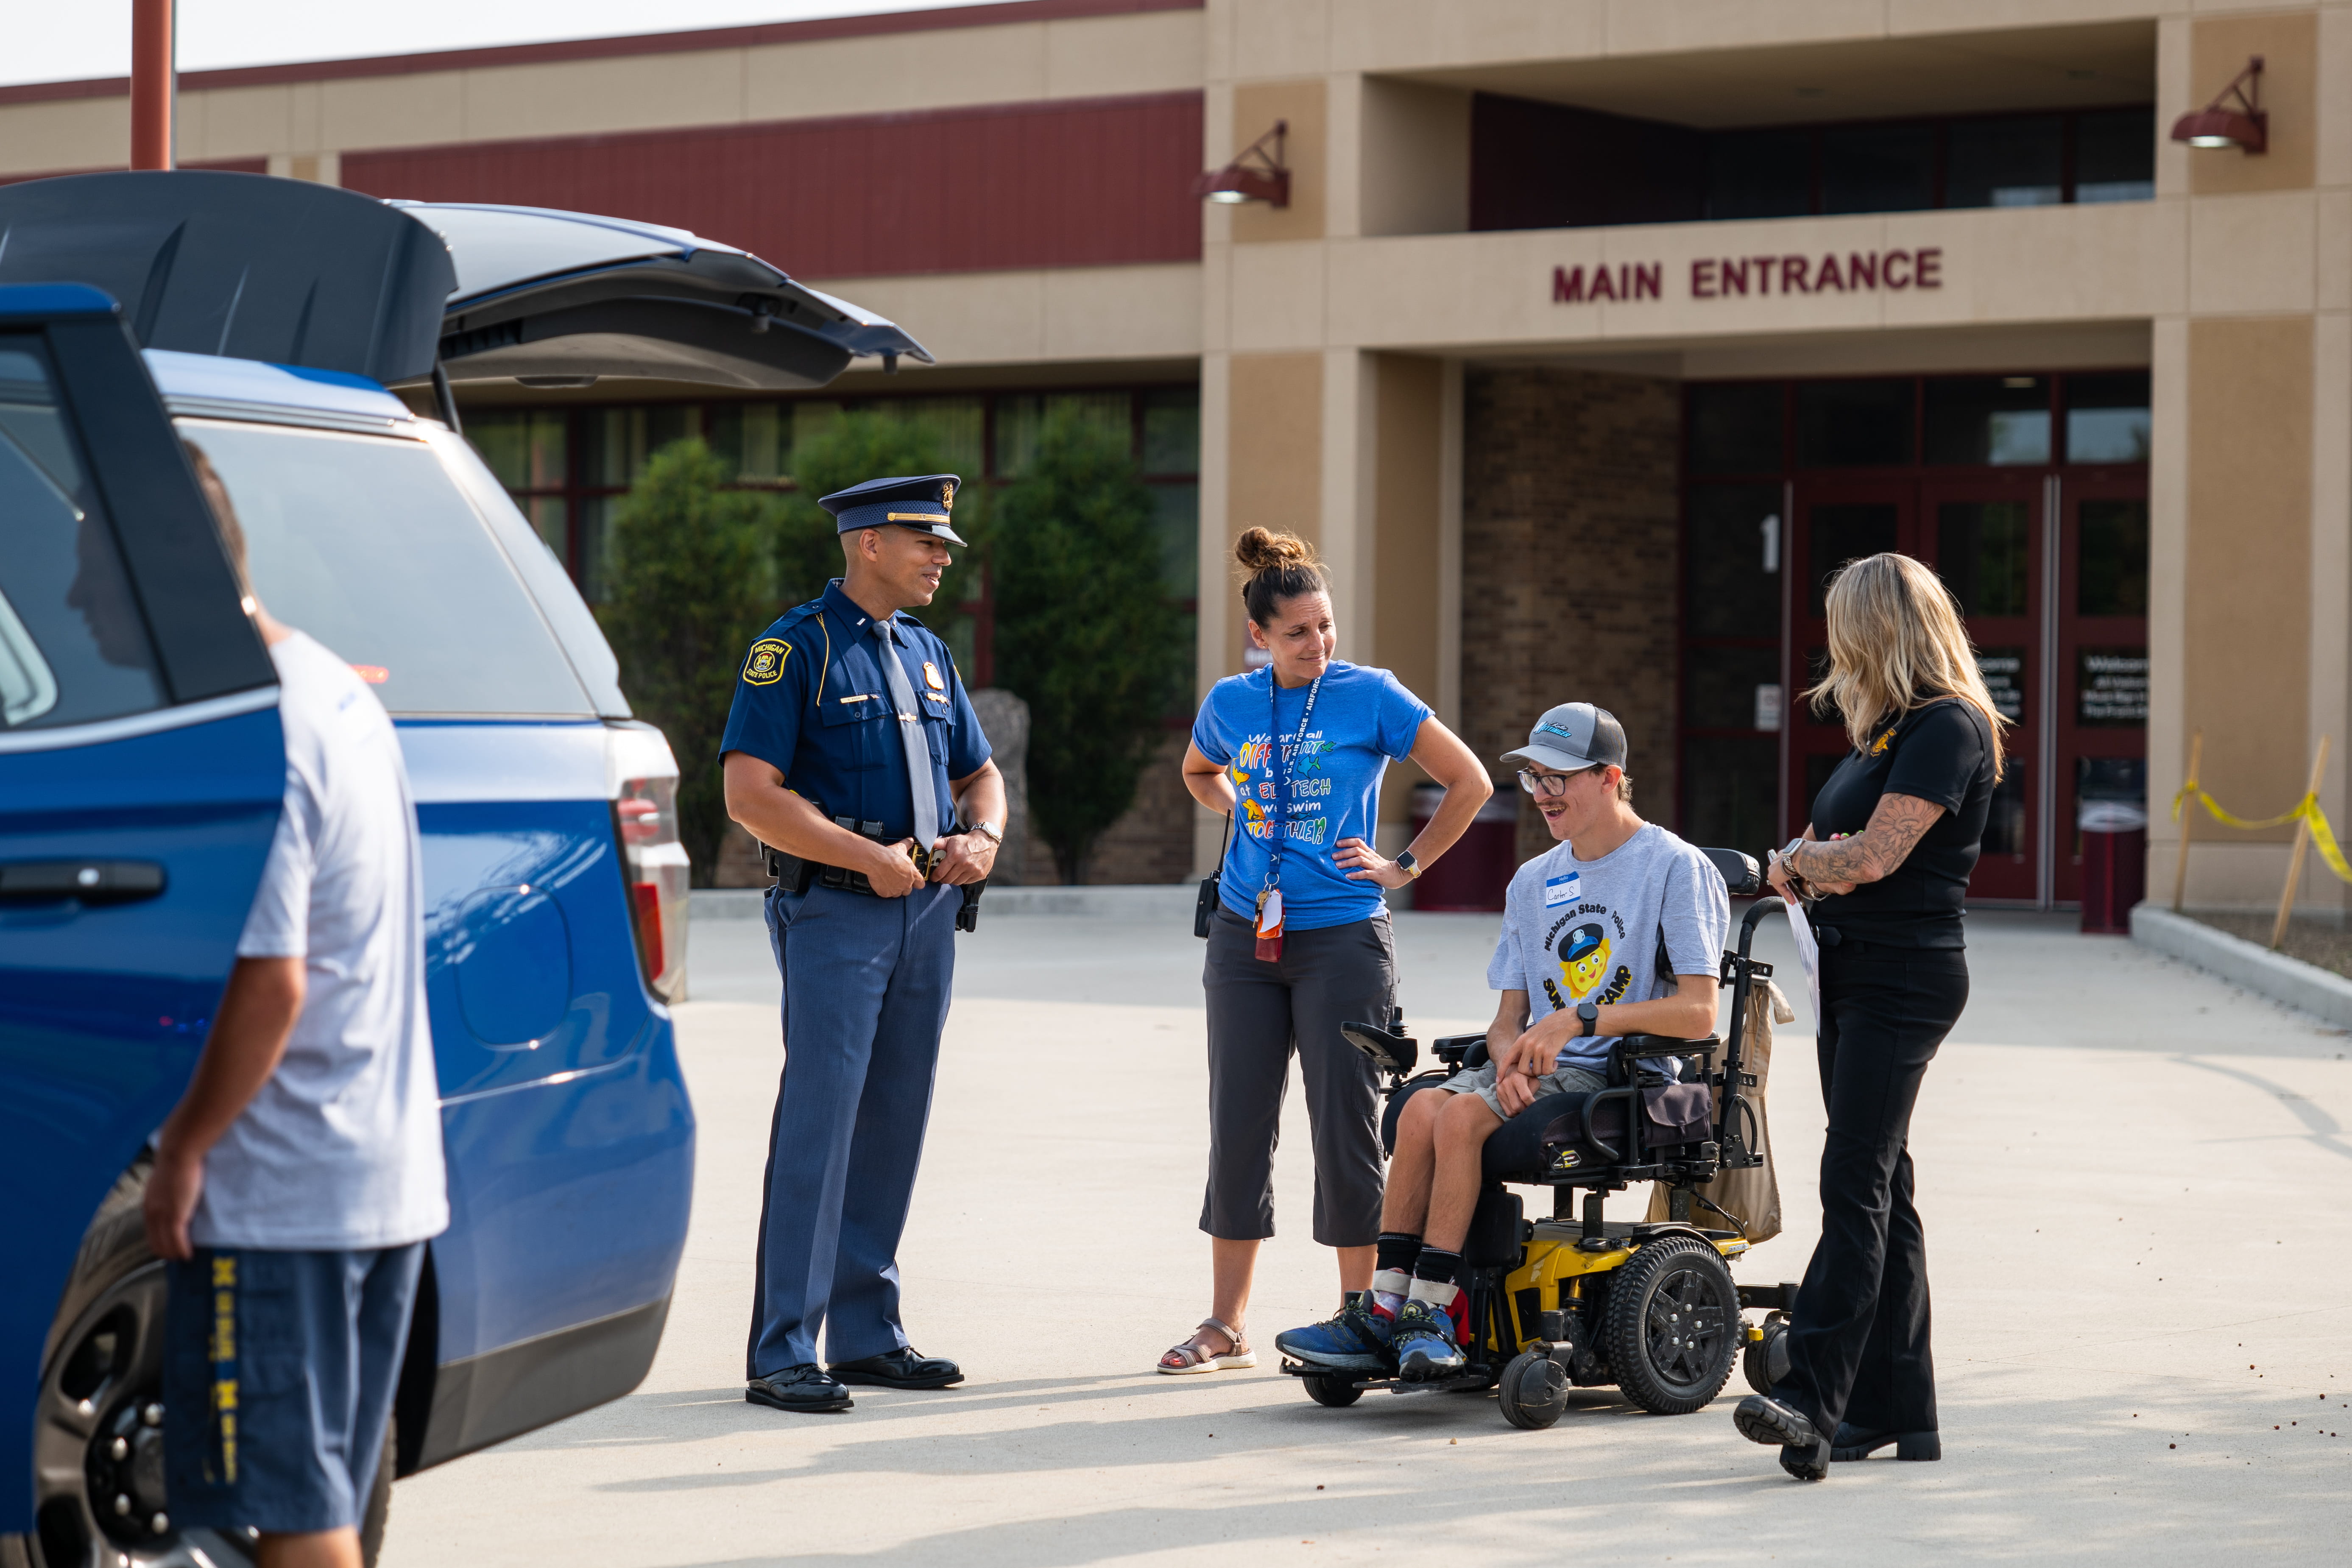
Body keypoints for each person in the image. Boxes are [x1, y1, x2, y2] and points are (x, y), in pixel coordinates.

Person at [148, 446, 447, 1568]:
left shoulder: (258, 731)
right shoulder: (329, 687)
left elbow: (272, 982)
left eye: (92, 570)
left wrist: (185, 1148)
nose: (77, 600)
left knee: (293, 1511)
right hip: (375, 1176)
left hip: (281, 1199)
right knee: (316, 1493)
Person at [1277, 701, 1727, 1378]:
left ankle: (1430, 1312)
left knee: (1458, 1115)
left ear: (1610, 777)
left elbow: (1698, 1013)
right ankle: (1381, 1310)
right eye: (1534, 778)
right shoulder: (1533, 880)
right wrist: (1510, 1053)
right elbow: (1507, 1015)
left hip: (1620, 1076)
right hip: (1537, 1065)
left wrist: (1579, 1020)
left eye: (1559, 778)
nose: (1543, 794)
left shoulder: (1673, 867)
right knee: (1423, 1107)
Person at [1160, 527, 1490, 1375]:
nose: (1318, 643)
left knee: (1345, 1128)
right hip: (1243, 937)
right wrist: (1231, 800)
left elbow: (1470, 781)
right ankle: (1223, 1323)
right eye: (1298, 631)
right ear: (1258, 638)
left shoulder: (1368, 695)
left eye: (1325, 626)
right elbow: (1199, 770)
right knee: (1237, 1124)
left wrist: (1403, 864)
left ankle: (1362, 1314)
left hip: (1343, 937)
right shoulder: (1232, 703)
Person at [720, 473, 1006, 1415]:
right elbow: (750, 794)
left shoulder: (928, 654)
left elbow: (982, 773)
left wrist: (982, 837)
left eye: (943, 546)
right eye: (924, 542)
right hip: (836, 912)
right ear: (866, 543)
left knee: (894, 1118)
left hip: (925, 914)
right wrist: (861, 856)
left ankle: (868, 1335)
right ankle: (782, 1349)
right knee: (821, 1118)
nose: (939, 559)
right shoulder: (791, 649)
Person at [1732, 552, 2003, 1480]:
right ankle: (1899, 1409)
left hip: (1902, 976)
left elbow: (1877, 855)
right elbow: (1839, 851)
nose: (1831, 644)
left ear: (1881, 626)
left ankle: (1811, 1397)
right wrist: (1808, 860)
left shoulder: (1947, 728)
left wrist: (1794, 860)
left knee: (1852, 1181)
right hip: (1848, 972)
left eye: (1843, 624)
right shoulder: (1883, 732)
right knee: (1885, 1184)